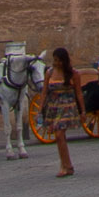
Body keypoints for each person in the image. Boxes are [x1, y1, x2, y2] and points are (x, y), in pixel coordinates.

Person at [38, 45, 80, 179]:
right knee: (59, 137)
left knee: (59, 134)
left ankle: (66, 166)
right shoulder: (49, 73)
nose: (56, 63)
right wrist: (40, 109)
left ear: (64, 61)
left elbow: (78, 93)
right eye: (55, 60)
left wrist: (83, 111)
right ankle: (67, 165)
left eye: (59, 60)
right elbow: (44, 92)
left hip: (67, 107)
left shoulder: (73, 73)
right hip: (53, 107)